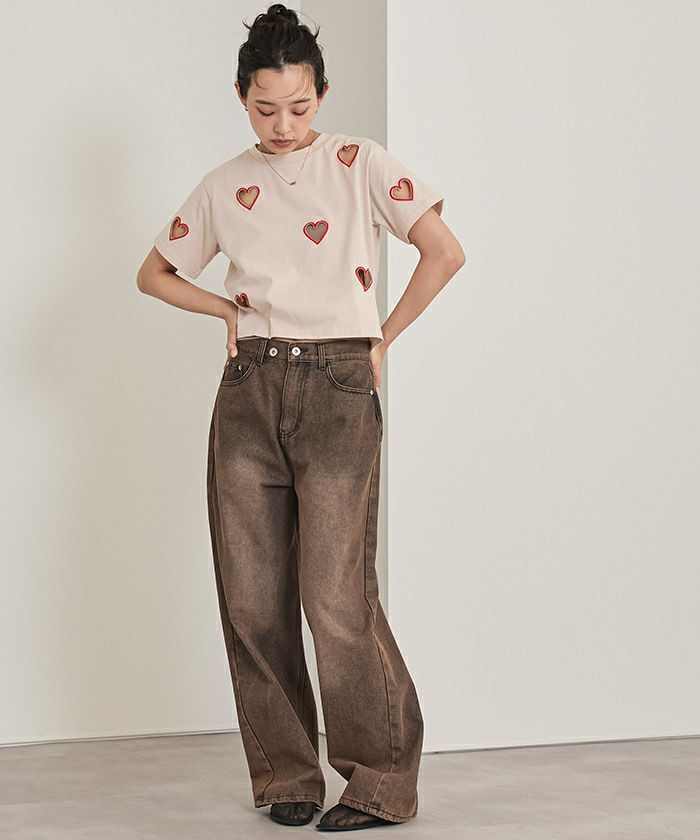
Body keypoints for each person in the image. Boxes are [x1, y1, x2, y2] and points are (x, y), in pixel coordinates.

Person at [137, 3, 465, 831]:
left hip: (339, 388)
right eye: (264, 107)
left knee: (335, 597)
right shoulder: (223, 184)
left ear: (322, 93)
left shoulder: (360, 163)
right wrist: (225, 309)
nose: (282, 125)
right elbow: (154, 273)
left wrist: (383, 337)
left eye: (299, 105)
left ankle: (382, 780)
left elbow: (444, 251)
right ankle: (286, 774)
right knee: (252, 600)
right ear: (240, 97)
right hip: (250, 390)